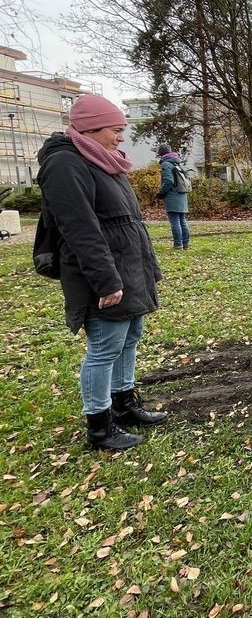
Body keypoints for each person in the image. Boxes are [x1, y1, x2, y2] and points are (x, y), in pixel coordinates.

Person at [36, 94, 168, 451]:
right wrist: (106, 280)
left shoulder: (103, 159)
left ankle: (124, 404)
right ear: (91, 128)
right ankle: (99, 425)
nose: (121, 138)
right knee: (105, 346)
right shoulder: (65, 164)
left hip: (129, 266)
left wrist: (146, 268)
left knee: (130, 337)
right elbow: (80, 229)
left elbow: (127, 223)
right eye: (116, 130)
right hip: (101, 272)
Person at [156, 144, 190, 250]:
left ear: (161, 154)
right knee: (182, 220)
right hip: (182, 193)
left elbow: (168, 181)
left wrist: (161, 193)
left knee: (175, 220)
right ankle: (185, 244)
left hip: (172, 195)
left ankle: (177, 244)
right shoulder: (177, 161)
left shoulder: (166, 164)